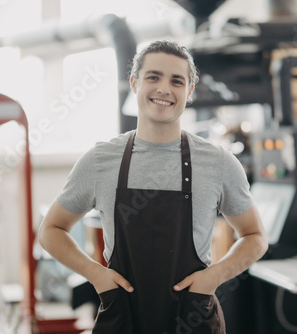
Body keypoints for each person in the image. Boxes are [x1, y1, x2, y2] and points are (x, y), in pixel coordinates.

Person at [38, 40, 267, 334]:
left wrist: (215, 276)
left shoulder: (219, 163)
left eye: (177, 81)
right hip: (123, 319)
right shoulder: (100, 160)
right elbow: (50, 230)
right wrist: (96, 275)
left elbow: (255, 236)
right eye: (153, 77)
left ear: (190, 91)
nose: (164, 89)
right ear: (134, 83)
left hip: (193, 319)